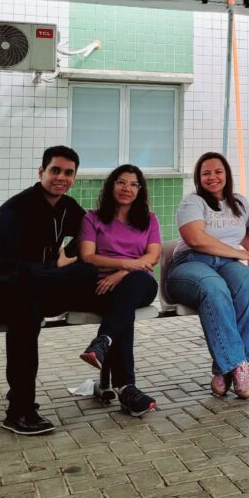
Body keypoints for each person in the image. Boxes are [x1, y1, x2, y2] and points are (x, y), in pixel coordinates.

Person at [0, 146, 98, 434]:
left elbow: (92, 233)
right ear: (41, 172)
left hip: (31, 284)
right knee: (25, 310)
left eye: (68, 173)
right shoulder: (15, 210)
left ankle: (122, 382)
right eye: (55, 170)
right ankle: (19, 410)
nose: (61, 177)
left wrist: (71, 255)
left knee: (87, 275)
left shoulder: (67, 208)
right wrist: (53, 267)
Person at [166, 152, 249, 399]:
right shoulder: (193, 202)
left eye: (218, 171)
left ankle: (226, 369)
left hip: (227, 264)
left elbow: (244, 234)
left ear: (227, 174)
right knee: (214, 288)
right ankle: (239, 368)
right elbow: (196, 239)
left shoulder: (239, 202)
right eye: (206, 173)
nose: (213, 177)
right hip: (191, 263)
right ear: (198, 178)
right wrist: (236, 252)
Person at [77, 164, 162, 416]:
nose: (127, 188)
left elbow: (153, 256)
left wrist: (124, 272)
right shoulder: (92, 218)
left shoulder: (149, 219)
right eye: (121, 182)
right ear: (111, 185)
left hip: (140, 284)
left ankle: (102, 342)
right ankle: (127, 389)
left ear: (140, 190)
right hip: (102, 287)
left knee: (131, 287)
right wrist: (127, 264)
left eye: (134, 184)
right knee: (122, 310)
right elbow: (88, 256)